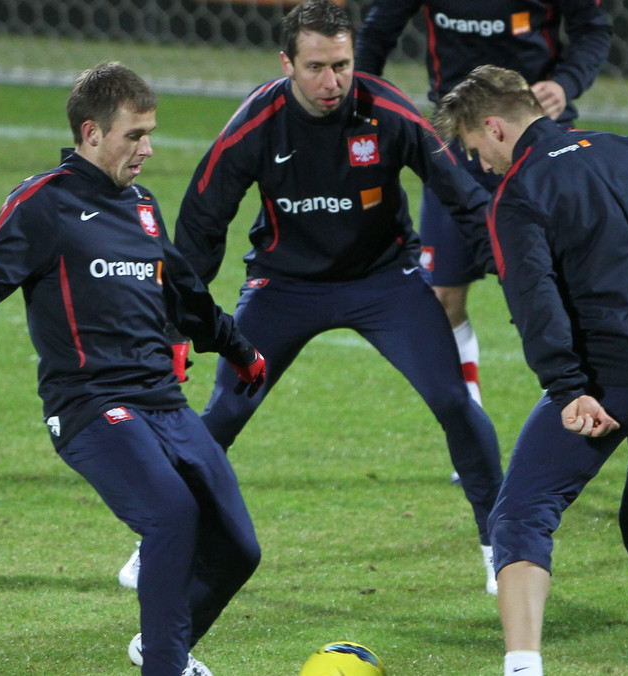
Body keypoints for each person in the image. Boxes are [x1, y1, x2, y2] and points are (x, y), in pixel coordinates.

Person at [0, 61, 267, 676]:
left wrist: (239, 349)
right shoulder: (45, 204)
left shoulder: (142, 207)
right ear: (91, 134)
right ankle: (166, 667)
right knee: (172, 514)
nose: (147, 149)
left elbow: (185, 296)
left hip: (162, 402)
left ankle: (159, 647)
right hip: (91, 406)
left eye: (150, 133)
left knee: (238, 547)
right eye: (134, 135)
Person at [169, 0, 504, 595]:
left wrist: (511, 268)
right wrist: (177, 325)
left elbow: (462, 195)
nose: (333, 82)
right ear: (286, 64)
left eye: (343, 65)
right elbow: (201, 222)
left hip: (384, 281)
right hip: (284, 285)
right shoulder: (255, 124)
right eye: (317, 67)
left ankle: (500, 544)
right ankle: (162, 538)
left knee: (454, 400)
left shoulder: (389, 111)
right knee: (223, 414)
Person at [431, 65, 628, 676]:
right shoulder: (622, 148)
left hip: (610, 380)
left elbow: (534, 297)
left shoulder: (519, 192)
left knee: (520, 511)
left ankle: (523, 667)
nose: (481, 165)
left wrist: (568, 388)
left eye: (475, 150)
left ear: (494, 128)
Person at [355, 0, 611, 416]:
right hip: (457, 146)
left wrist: (565, 83)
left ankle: (582, 408)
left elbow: (593, 28)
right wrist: (360, 105)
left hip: (538, 140)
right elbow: (378, 30)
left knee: (570, 286)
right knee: (443, 296)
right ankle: (470, 420)